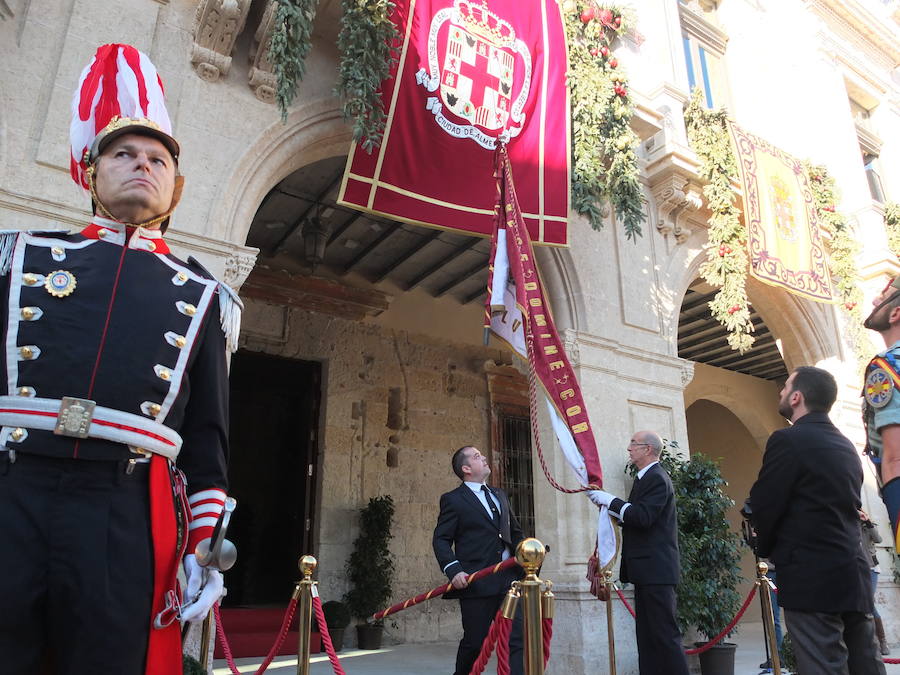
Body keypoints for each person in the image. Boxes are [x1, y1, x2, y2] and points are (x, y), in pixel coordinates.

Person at [0, 44, 240, 674]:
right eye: (124, 154)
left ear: (176, 186)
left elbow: (206, 434)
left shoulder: (205, 294)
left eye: (157, 159)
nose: (142, 165)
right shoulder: (17, 256)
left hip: (123, 509)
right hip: (12, 487)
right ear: (91, 171)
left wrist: (203, 548)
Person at [749, 366, 885, 674]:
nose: (781, 392)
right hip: (853, 572)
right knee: (865, 663)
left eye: (785, 387)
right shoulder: (846, 446)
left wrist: (765, 547)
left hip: (811, 575)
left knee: (822, 665)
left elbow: (766, 503)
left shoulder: (787, 440)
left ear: (797, 397)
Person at [587, 430, 690, 675]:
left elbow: (642, 517)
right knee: (648, 638)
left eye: (634, 443)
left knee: (664, 637)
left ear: (648, 449)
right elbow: (635, 518)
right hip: (648, 571)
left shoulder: (656, 477)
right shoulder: (644, 478)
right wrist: (608, 509)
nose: (629, 447)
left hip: (657, 571)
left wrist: (611, 501)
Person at [433, 445, 525, 675]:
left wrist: (526, 555)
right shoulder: (453, 500)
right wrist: (454, 571)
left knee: (517, 639)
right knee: (475, 643)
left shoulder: (499, 495)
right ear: (466, 468)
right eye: (476, 457)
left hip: (510, 582)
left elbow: (515, 533)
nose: (483, 458)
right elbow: (441, 540)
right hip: (478, 583)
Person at [862, 275, 900, 548]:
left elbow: (895, 459)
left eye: (883, 296)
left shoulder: (886, 367)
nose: (875, 300)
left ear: (896, 312)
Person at [860, 509, 890, 655]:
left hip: (871, 569)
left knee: (869, 602)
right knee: (863, 605)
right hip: (856, 571)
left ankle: (882, 641)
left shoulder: (869, 526)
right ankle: (873, 643)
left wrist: (868, 521)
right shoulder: (848, 526)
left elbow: (878, 539)